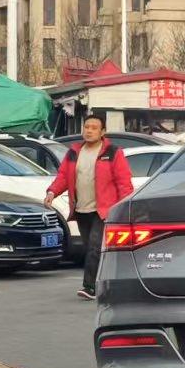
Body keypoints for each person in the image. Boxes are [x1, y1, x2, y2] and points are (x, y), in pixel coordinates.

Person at [44, 112, 133, 300]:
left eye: (94, 128)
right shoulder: (74, 152)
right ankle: (105, 283)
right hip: (81, 209)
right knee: (91, 249)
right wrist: (52, 192)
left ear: (103, 132)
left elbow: (123, 182)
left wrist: (124, 207)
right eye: (86, 127)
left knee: (94, 247)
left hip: (104, 211)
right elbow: (63, 176)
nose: (89, 131)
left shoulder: (113, 152)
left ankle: (89, 287)